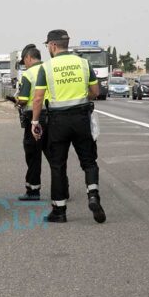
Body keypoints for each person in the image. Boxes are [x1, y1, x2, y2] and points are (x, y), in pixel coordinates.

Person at [31, 29, 106, 223]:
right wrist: (81, 100)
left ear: (53, 45)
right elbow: (95, 91)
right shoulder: (83, 63)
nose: (48, 48)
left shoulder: (46, 68)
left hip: (58, 122)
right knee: (89, 161)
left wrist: (35, 122)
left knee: (58, 165)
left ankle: (59, 210)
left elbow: (38, 98)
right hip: (81, 118)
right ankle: (93, 195)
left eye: (47, 45)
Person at [16, 44, 49, 200]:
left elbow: (23, 99)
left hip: (35, 117)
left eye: (25, 61)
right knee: (55, 155)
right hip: (53, 116)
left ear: (28, 57)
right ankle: (63, 189)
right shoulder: (49, 69)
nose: (25, 64)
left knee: (33, 155)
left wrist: (16, 101)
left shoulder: (28, 74)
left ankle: (33, 190)